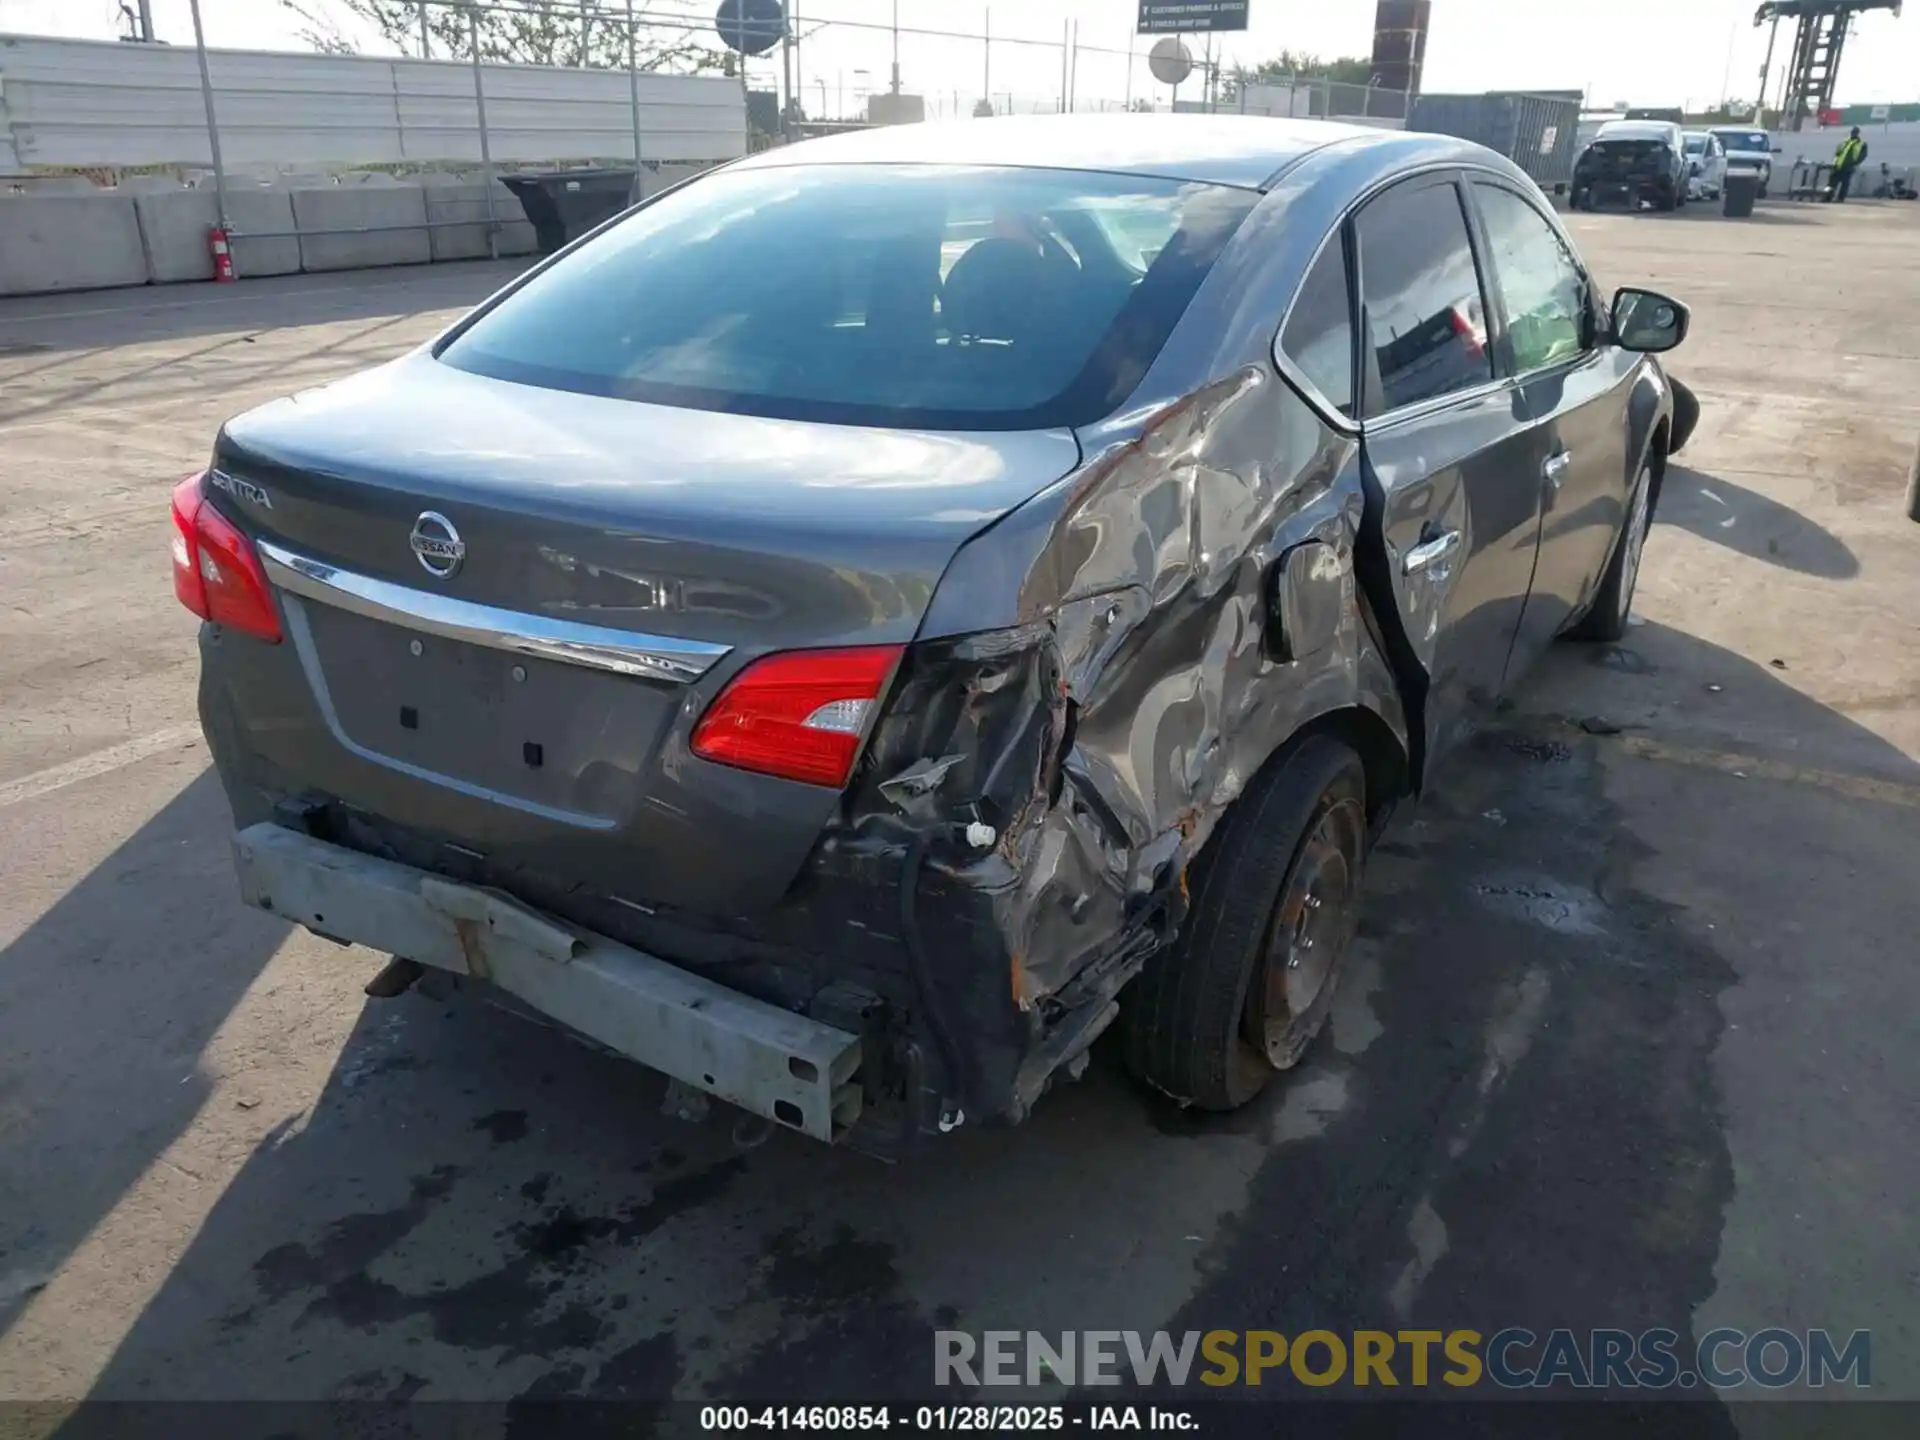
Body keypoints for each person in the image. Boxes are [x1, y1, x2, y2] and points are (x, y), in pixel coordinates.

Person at [1827, 127, 1869, 202]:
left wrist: (1854, 163)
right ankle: (1827, 197)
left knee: (1845, 184)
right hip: (1838, 165)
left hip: (1848, 167)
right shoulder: (1845, 141)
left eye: (1855, 132)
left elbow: (1863, 156)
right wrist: (1834, 162)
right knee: (1831, 183)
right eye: (1852, 132)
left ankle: (1840, 199)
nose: (1853, 133)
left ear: (1858, 133)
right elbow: (1837, 152)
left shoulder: (1861, 143)